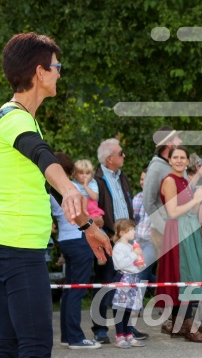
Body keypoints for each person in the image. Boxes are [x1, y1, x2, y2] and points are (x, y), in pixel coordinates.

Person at [0, 32, 111, 357]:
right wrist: (70, 187)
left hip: (11, 244)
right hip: (18, 247)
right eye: (56, 65)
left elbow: (40, 178)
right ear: (40, 72)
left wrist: (88, 228)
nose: (60, 72)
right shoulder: (15, 120)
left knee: (12, 346)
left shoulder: (17, 117)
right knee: (36, 346)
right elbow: (43, 155)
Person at [92, 138, 147, 343]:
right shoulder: (96, 180)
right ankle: (100, 328)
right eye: (121, 153)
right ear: (110, 158)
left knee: (129, 285)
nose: (124, 156)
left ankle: (127, 329)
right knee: (105, 284)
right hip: (107, 237)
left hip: (127, 238)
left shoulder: (122, 176)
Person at [156, 145, 202, 342]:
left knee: (189, 273)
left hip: (189, 228)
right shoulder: (170, 180)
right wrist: (195, 198)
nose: (179, 160)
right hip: (178, 230)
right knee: (184, 274)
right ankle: (188, 325)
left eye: (182, 158)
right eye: (175, 157)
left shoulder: (184, 179)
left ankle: (179, 324)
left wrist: (200, 198)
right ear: (169, 160)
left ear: (188, 162)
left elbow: (191, 209)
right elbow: (173, 211)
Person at [51, 152, 102, 350]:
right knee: (77, 290)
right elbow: (81, 215)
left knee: (70, 289)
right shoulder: (66, 189)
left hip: (65, 240)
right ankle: (75, 337)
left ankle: (67, 335)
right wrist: (95, 224)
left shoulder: (49, 189)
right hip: (78, 240)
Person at [143, 125, 183, 258]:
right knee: (168, 277)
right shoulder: (156, 168)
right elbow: (148, 203)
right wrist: (165, 229)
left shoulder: (178, 165)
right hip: (164, 234)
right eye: (177, 138)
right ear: (169, 143)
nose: (180, 142)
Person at [111, 219, 146, 349]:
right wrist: (134, 255)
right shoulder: (119, 247)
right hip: (124, 279)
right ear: (122, 233)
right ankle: (120, 336)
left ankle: (129, 334)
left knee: (129, 309)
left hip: (133, 278)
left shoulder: (130, 245)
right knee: (120, 308)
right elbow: (120, 264)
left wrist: (140, 263)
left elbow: (134, 262)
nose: (134, 232)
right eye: (131, 230)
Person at [133, 168, 156, 286]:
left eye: (146, 179)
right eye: (141, 179)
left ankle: (135, 304)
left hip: (152, 243)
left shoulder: (159, 200)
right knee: (144, 273)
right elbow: (133, 220)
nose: (143, 182)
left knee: (141, 271)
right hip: (138, 242)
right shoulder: (137, 198)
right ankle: (166, 289)